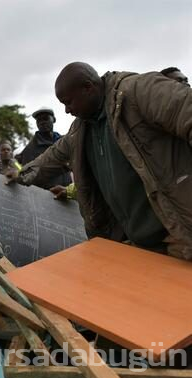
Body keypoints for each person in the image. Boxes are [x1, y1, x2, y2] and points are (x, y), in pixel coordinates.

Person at [14, 62, 192, 260]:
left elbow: (185, 111)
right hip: (137, 244)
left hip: (178, 234)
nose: (66, 110)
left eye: (69, 102)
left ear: (88, 88)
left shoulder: (138, 91)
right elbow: (52, 157)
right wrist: (20, 175)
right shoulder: (80, 129)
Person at [16, 108, 72, 189]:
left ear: (54, 120)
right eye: (39, 120)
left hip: (67, 190)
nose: (42, 122)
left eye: (45, 118)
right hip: (47, 193)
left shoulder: (64, 141)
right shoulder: (30, 148)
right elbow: (29, 175)